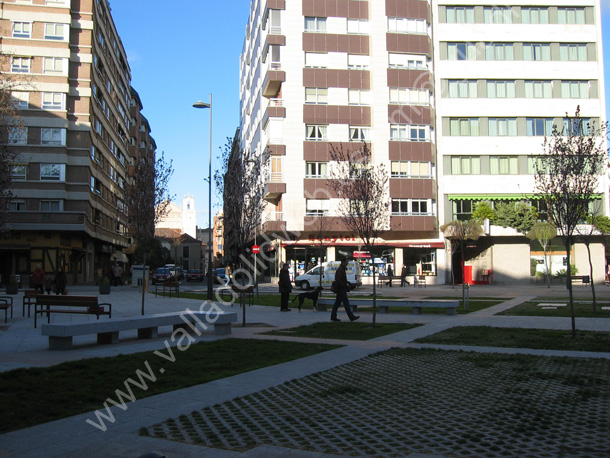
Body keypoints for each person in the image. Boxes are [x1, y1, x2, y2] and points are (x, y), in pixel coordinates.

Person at [330, 257, 359, 322]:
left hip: (341, 288)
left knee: (337, 303)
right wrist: (344, 286)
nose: (347, 263)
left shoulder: (342, 269)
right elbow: (339, 280)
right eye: (346, 262)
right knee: (346, 303)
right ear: (343, 262)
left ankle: (333, 316)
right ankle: (351, 317)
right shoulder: (340, 270)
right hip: (341, 289)